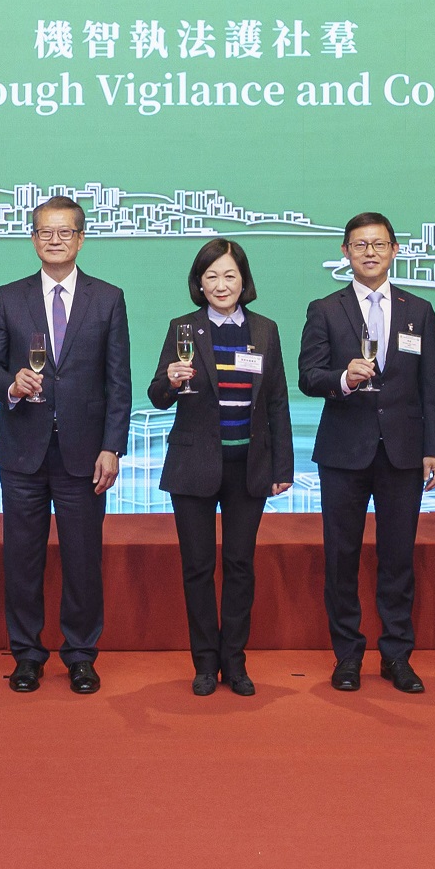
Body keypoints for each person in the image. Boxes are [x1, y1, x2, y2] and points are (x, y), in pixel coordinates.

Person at [0, 196, 132, 696]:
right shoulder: (8, 296)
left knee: (83, 559)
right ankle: (26, 655)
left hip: (85, 454)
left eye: (65, 232)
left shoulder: (108, 298)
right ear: (33, 239)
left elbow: (118, 381)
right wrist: (11, 384)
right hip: (22, 449)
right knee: (22, 559)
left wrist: (112, 447)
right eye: (45, 232)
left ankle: (81, 655)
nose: (55, 240)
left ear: (81, 239)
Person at [298, 212, 435, 694]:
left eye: (379, 244)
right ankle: (347, 655)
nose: (370, 253)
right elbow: (308, 376)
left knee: (398, 558)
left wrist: (434, 449)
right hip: (344, 451)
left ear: (395, 250)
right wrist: (343, 378)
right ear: (345, 252)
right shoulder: (325, 309)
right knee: (341, 557)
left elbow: (431, 386)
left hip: (403, 452)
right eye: (359, 245)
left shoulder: (418, 310)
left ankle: (397, 655)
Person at [148, 240, 294, 697]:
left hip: (249, 465)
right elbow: (157, 394)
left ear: (243, 280)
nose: (221, 284)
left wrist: (283, 465)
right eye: (211, 276)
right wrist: (171, 381)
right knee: (197, 567)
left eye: (229, 275)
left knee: (239, 565)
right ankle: (205, 663)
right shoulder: (183, 328)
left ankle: (235, 661)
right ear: (199, 283)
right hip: (194, 463)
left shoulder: (265, 330)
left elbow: (277, 401)